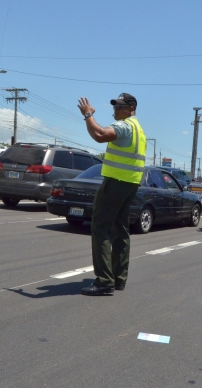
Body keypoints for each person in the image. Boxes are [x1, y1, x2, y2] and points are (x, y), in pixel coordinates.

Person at [77, 93, 147, 296]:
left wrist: (88, 114)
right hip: (130, 183)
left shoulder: (125, 126)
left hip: (115, 182)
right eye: (115, 107)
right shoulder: (138, 129)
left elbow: (99, 135)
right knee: (120, 229)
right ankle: (118, 278)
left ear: (130, 109)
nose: (116, 110)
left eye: (120, 107)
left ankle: (104, 281)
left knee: (100, 227)